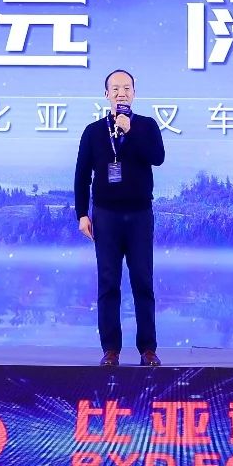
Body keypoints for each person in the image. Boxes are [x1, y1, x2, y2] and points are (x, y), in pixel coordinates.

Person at [74, 69, 166, 367]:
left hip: (140, 215)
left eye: (126, 88)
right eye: (115, 88)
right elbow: (82, 175)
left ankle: (148, 349)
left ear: (134, 93)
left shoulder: (147, 126)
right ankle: (111, 350)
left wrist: (130, 131)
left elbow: (157, 157)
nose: (121, 93)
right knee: (108, 283)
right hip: (106, 216)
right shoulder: (93, 131)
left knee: (143, 282)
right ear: (106, 95)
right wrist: (82, 213)